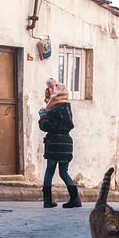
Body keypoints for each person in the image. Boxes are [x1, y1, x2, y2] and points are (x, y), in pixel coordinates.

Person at [38, 78, 81, 208]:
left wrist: (42, 116)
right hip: (66, 143)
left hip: (54, 143)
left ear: (51, 97)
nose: (46, 101)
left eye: (47, 98)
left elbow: (46, 126)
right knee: (64, 172)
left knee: (49, 171)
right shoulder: (67, 109)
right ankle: (75, 199)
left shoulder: (53, 111)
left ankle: (47, 200)